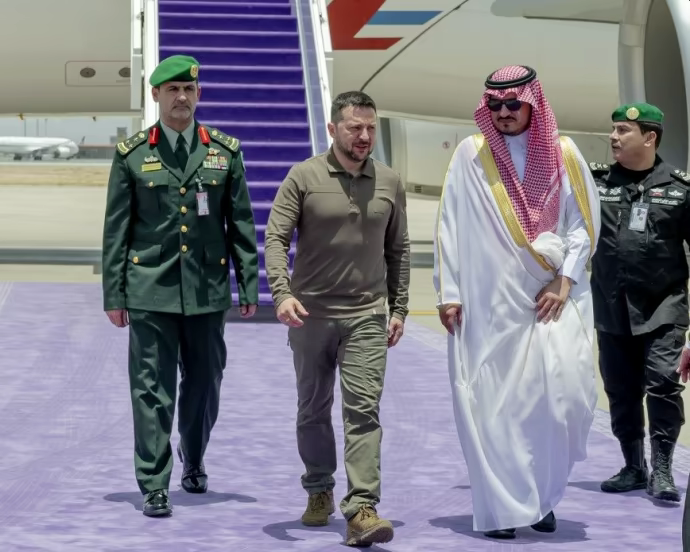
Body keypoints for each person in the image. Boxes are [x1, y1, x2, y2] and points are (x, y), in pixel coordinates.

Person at [432, 65, 601, 540]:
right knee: (495, 404)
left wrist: (565, 280)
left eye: (513, 104)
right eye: (494, 105)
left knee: (560, 399)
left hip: (552, 299)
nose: (503, 113)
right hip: (488, 304)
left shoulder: (564, 152)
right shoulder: (471, 154)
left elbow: (582, 225)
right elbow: (449, 225)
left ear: (533, 103)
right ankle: (505, 506)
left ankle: (541, 497)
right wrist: (449, 293)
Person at [101, 54, 259, 517]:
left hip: (207, 290)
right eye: (172, 90)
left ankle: (194, 457)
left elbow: (241, 223)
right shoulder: (133, 154)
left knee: (205, 383)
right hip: (149, 287)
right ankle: (154, 482)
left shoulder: (224, 152)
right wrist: (114, 294)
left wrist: (248, 285)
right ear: (156, 95)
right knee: (151, 387)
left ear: (198, 94)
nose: (182, 97)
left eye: (189, 90)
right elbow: (116, 230)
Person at [264, 90, 410, 547]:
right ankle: (319, 488)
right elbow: (275, 237)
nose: (364, 136)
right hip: (310, 315)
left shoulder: (389, 181)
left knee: (363, 409)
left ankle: (362, 508)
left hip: (366, 314)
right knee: (312, 407)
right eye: (354, 127)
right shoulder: (303, 176)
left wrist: (399, 307)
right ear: (333, 129)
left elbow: (399, 249)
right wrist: (282, 294)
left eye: (370, 128)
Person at [591, 102, 688, 503]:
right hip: (611, 306)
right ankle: (633, 466)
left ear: (649, 137)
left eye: (622, 131)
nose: (613, 137)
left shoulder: (680, 190)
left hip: (663, 307)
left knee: (663, 384)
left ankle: (662, 467)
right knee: (620, 389)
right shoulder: (595, 182)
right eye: (613, 129)